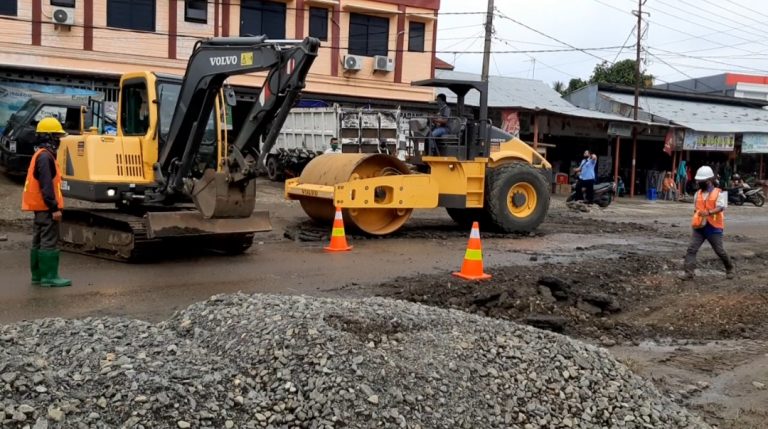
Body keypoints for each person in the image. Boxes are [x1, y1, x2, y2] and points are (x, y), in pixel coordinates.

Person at [21, 117, 71, 288]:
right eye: (56, 136)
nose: (59, 140)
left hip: (39, 207)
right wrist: (54, 208)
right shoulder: (45, 157)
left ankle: (37, 276)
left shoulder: (39, 155)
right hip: (46, 207)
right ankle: (49, 277)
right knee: (48, 240)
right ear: (49, 137)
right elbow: (47, 185)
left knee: (38, 239)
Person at [682, 165, 734, 280]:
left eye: (701, 181)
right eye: (698, 181)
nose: (699, 183)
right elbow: (696, 209)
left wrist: (708, 213)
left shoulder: (721, 192)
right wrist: (698, 217)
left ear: (709, 181)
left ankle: (729, 268)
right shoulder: (697, 194)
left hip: (714, 227)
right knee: (691, 249)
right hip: (699, 227)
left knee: (719, 251)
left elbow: (721, 207)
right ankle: (689, 272)